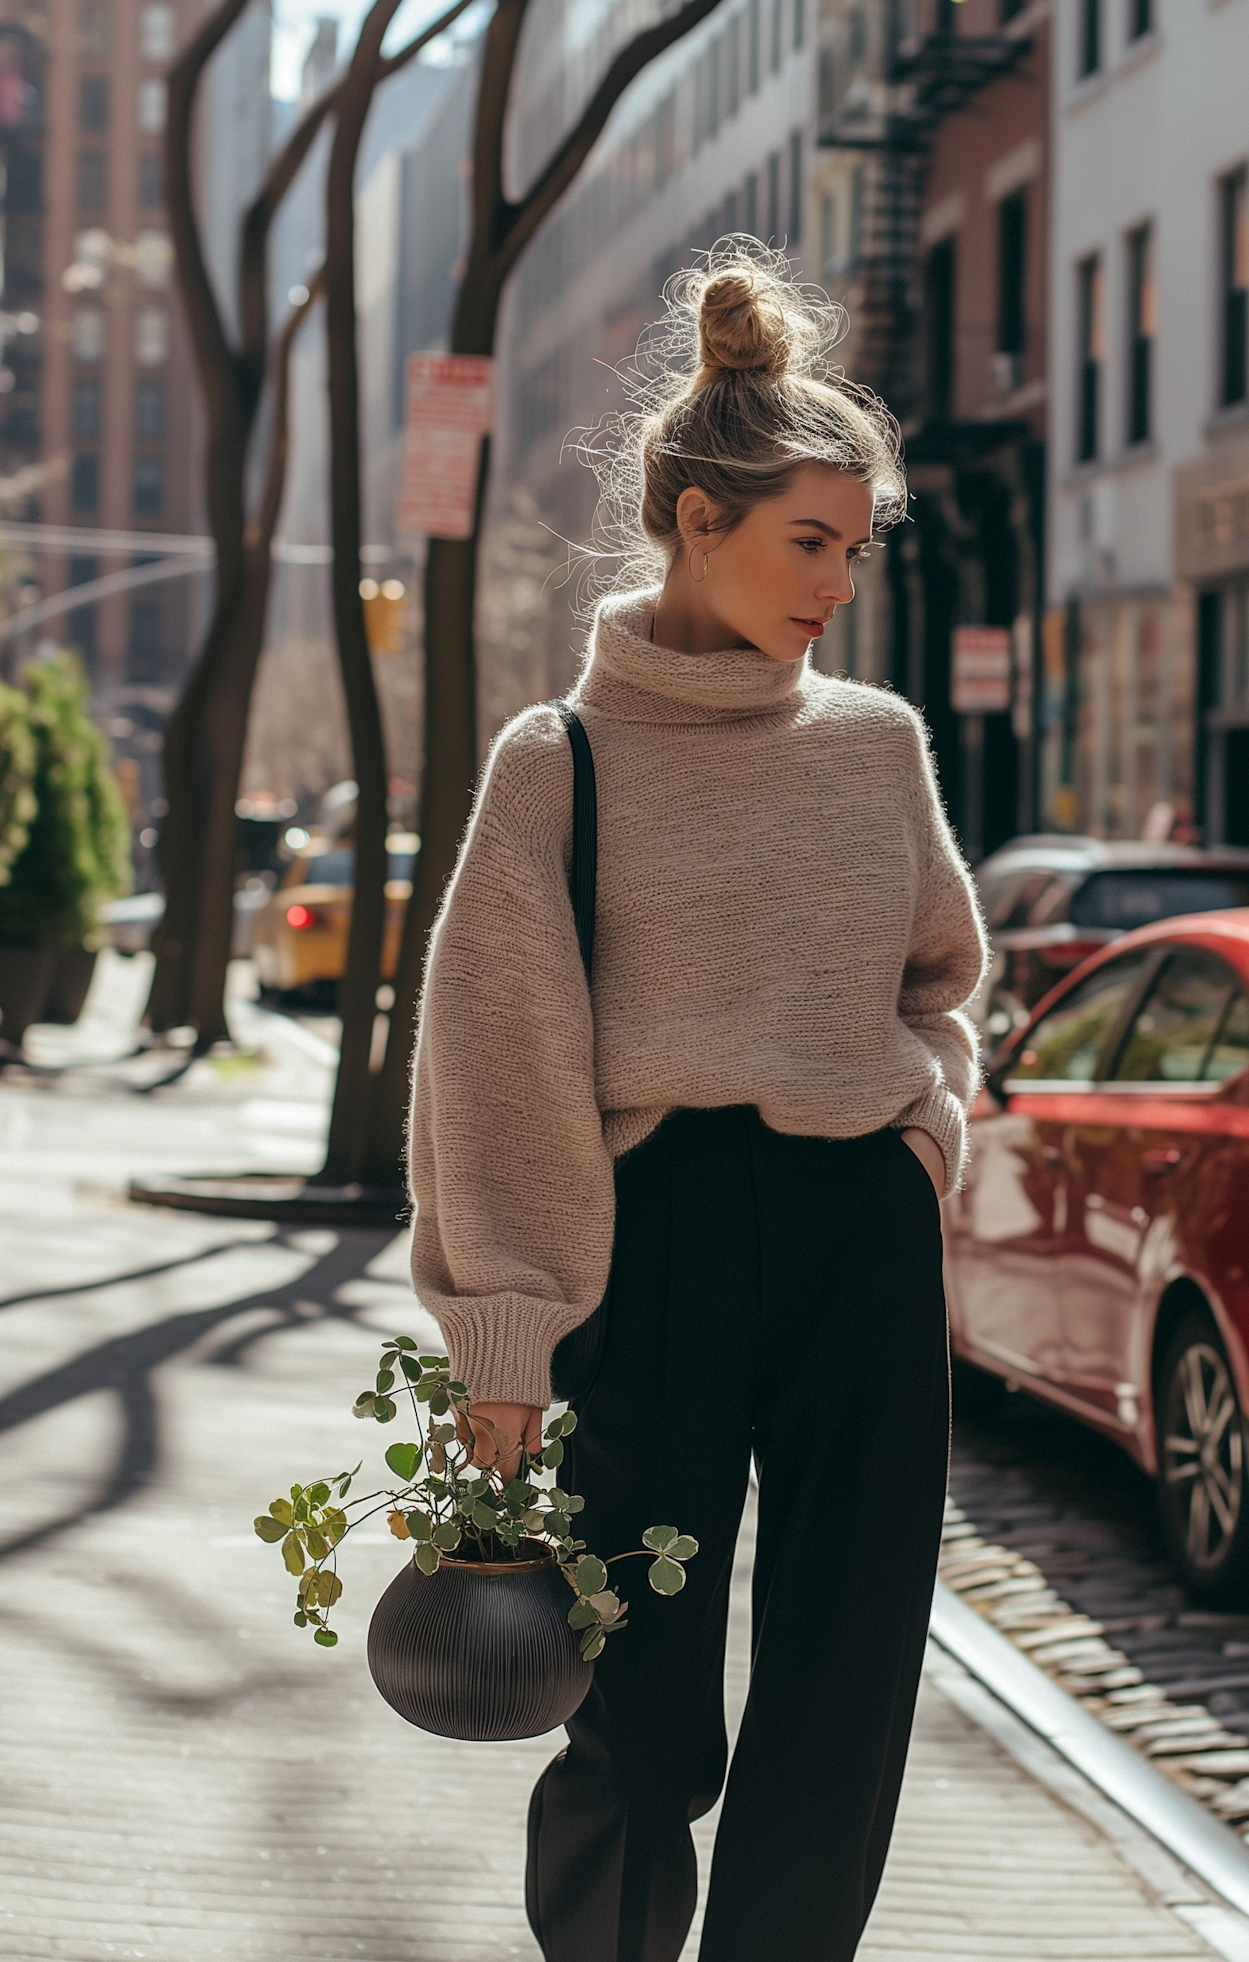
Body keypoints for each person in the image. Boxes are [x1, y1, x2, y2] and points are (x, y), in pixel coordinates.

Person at [407, 242, 987, 1962]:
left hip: (855, 1242)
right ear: (688, 516)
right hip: (643, 1247)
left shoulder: (875, 743)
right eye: (808, 541)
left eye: (855, 551)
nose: (837, 586)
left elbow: (939, 983)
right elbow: (496, 1068)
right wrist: (504, 1347)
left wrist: (924, 1130)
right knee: (636, 1708)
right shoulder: (557, 764)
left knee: (847, 1675)